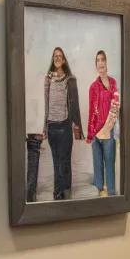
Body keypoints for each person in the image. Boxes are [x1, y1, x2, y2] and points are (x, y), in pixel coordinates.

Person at [43, 46, 82, 200]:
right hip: (52, 126)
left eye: (60, 56)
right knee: (56, 161)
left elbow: (75, 104)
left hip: (65, 126)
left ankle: (64, 191)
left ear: (64, 60)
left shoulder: (70, 80)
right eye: (55, 56)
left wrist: (76, 126)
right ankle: (58, 192)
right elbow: (45, 103)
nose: (57, 58)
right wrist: (44, 127)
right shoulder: (48, 79)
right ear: (53, 60)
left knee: (64, 161)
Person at [86, 49, 120, 197]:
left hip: (109, 130)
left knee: (109, 164)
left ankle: (111, 193)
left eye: (102, 60)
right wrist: (90, 133)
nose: (100, 63)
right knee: (98, 166)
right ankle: (100, 194)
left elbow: (116, 105)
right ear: (96, 65)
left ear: (106, 62)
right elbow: (91, 111)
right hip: (96, 132)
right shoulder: (93, 87)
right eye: (98, 60)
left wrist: (109, 127)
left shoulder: (113, 83)